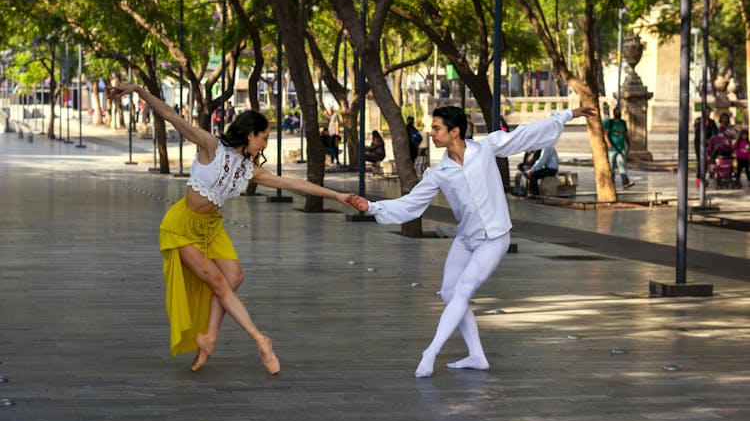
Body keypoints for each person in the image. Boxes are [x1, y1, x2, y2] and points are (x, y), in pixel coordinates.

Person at [106, 84, 361, 375]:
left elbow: (295, 184)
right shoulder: (211, 146)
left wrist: (337, 195)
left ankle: (209, 337)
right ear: (250, 134)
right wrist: (139, 90)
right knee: (219, 282)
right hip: (181, 228)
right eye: (264, 137)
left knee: (234, 277)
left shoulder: (250, 170)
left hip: (211, 228)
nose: (265, 144)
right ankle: (260, 339)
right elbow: (171, 116)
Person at [350, 104, 597, 378]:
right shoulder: (439, 172)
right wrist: (371, 208)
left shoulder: (486, 149)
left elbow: (525, 134)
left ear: (454, 132)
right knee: (448, 293)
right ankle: (477, 355)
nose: (431, 133)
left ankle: (430, 352)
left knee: (464, 289)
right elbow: (411, 204)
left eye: (436, 128)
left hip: (494, 238)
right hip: (466, 238)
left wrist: (566, 115)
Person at [603, 107, 634, 189]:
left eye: (619, 112)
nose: (618, 113)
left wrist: (628, 144)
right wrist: (608, 143)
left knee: (622, 166)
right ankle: (611, 183)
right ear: (614, 113)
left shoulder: (623, 123)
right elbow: (605, 134)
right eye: (617, 112)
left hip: (621, 148)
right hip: (612, 149)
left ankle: (625, 182)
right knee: (611, 167)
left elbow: (626, 134)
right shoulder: (610, 123)